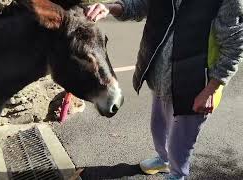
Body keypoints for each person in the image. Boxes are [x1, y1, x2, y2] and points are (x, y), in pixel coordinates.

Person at [85, 0, 243, 180]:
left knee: (180, 144)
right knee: (158, 128)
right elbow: (139, 6)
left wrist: (211, 90)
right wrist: (110, 7)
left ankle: (177, 175)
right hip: (160, 79)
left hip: (194, 87)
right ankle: (164, 160)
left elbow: (234, 47)